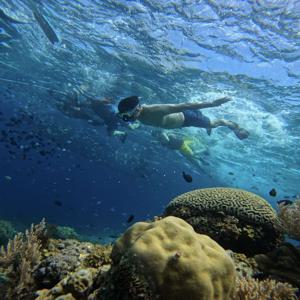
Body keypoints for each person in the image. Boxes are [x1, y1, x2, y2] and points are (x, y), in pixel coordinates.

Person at [117, 96, 249, 140]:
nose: (128, 118)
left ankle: (233, 125)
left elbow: (184, 105)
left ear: (138, 108)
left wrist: (213, 103)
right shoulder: (134, 115)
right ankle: (207, 125)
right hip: (182, 123)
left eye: (130, 114)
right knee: (208, 124)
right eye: (126, 115)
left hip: (189, 116)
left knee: (214, 123)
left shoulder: (155, 110)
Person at [54, 89, 139, 143]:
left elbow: (98, 103)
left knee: (118, 126)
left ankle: (128, 129)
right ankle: (128, 129)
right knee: (120, 127)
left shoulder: (105, 108)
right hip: (106, 116)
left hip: (105, 116)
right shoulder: (108, 109)